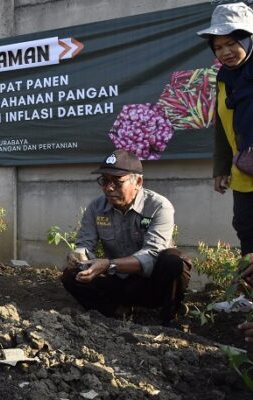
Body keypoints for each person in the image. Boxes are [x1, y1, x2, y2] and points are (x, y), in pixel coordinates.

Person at [60, 150, 191, 326]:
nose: (108, 187)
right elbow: (85, 244)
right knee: (70, 275)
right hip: (118, 281)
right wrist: (79, 255)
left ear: (138, 182)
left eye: (117, 182)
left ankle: (168, 317)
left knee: (175, 262)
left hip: (150, 284)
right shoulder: (96, 207)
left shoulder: (158, 207)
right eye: (104, 181)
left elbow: (152, 254)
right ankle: (114, 313)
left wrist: (109, 264)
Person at [197, 3, 253, 289]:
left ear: (247, 38)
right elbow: (223, 123)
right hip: (245, 171)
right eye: (218, 47)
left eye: (231, 43)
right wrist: (221, 166)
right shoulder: (223, 78)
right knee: (247, 232)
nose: (225, 52)